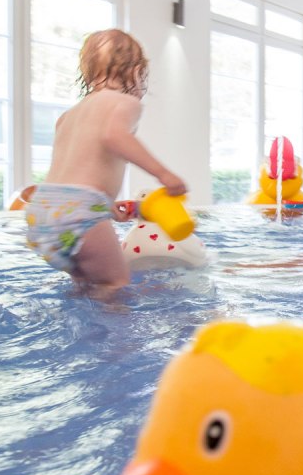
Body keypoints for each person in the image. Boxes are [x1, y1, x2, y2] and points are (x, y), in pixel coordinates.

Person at [25, 29, 187, 289]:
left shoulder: (68, 115)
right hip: (79, 211)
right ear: (137, 71)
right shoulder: (125, 103)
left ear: (88, 72)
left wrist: (107, 209)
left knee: (85, 284)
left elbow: (72, 173)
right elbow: (114, 136)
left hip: (43, 211)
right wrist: (164, 174)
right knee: (115, 282)